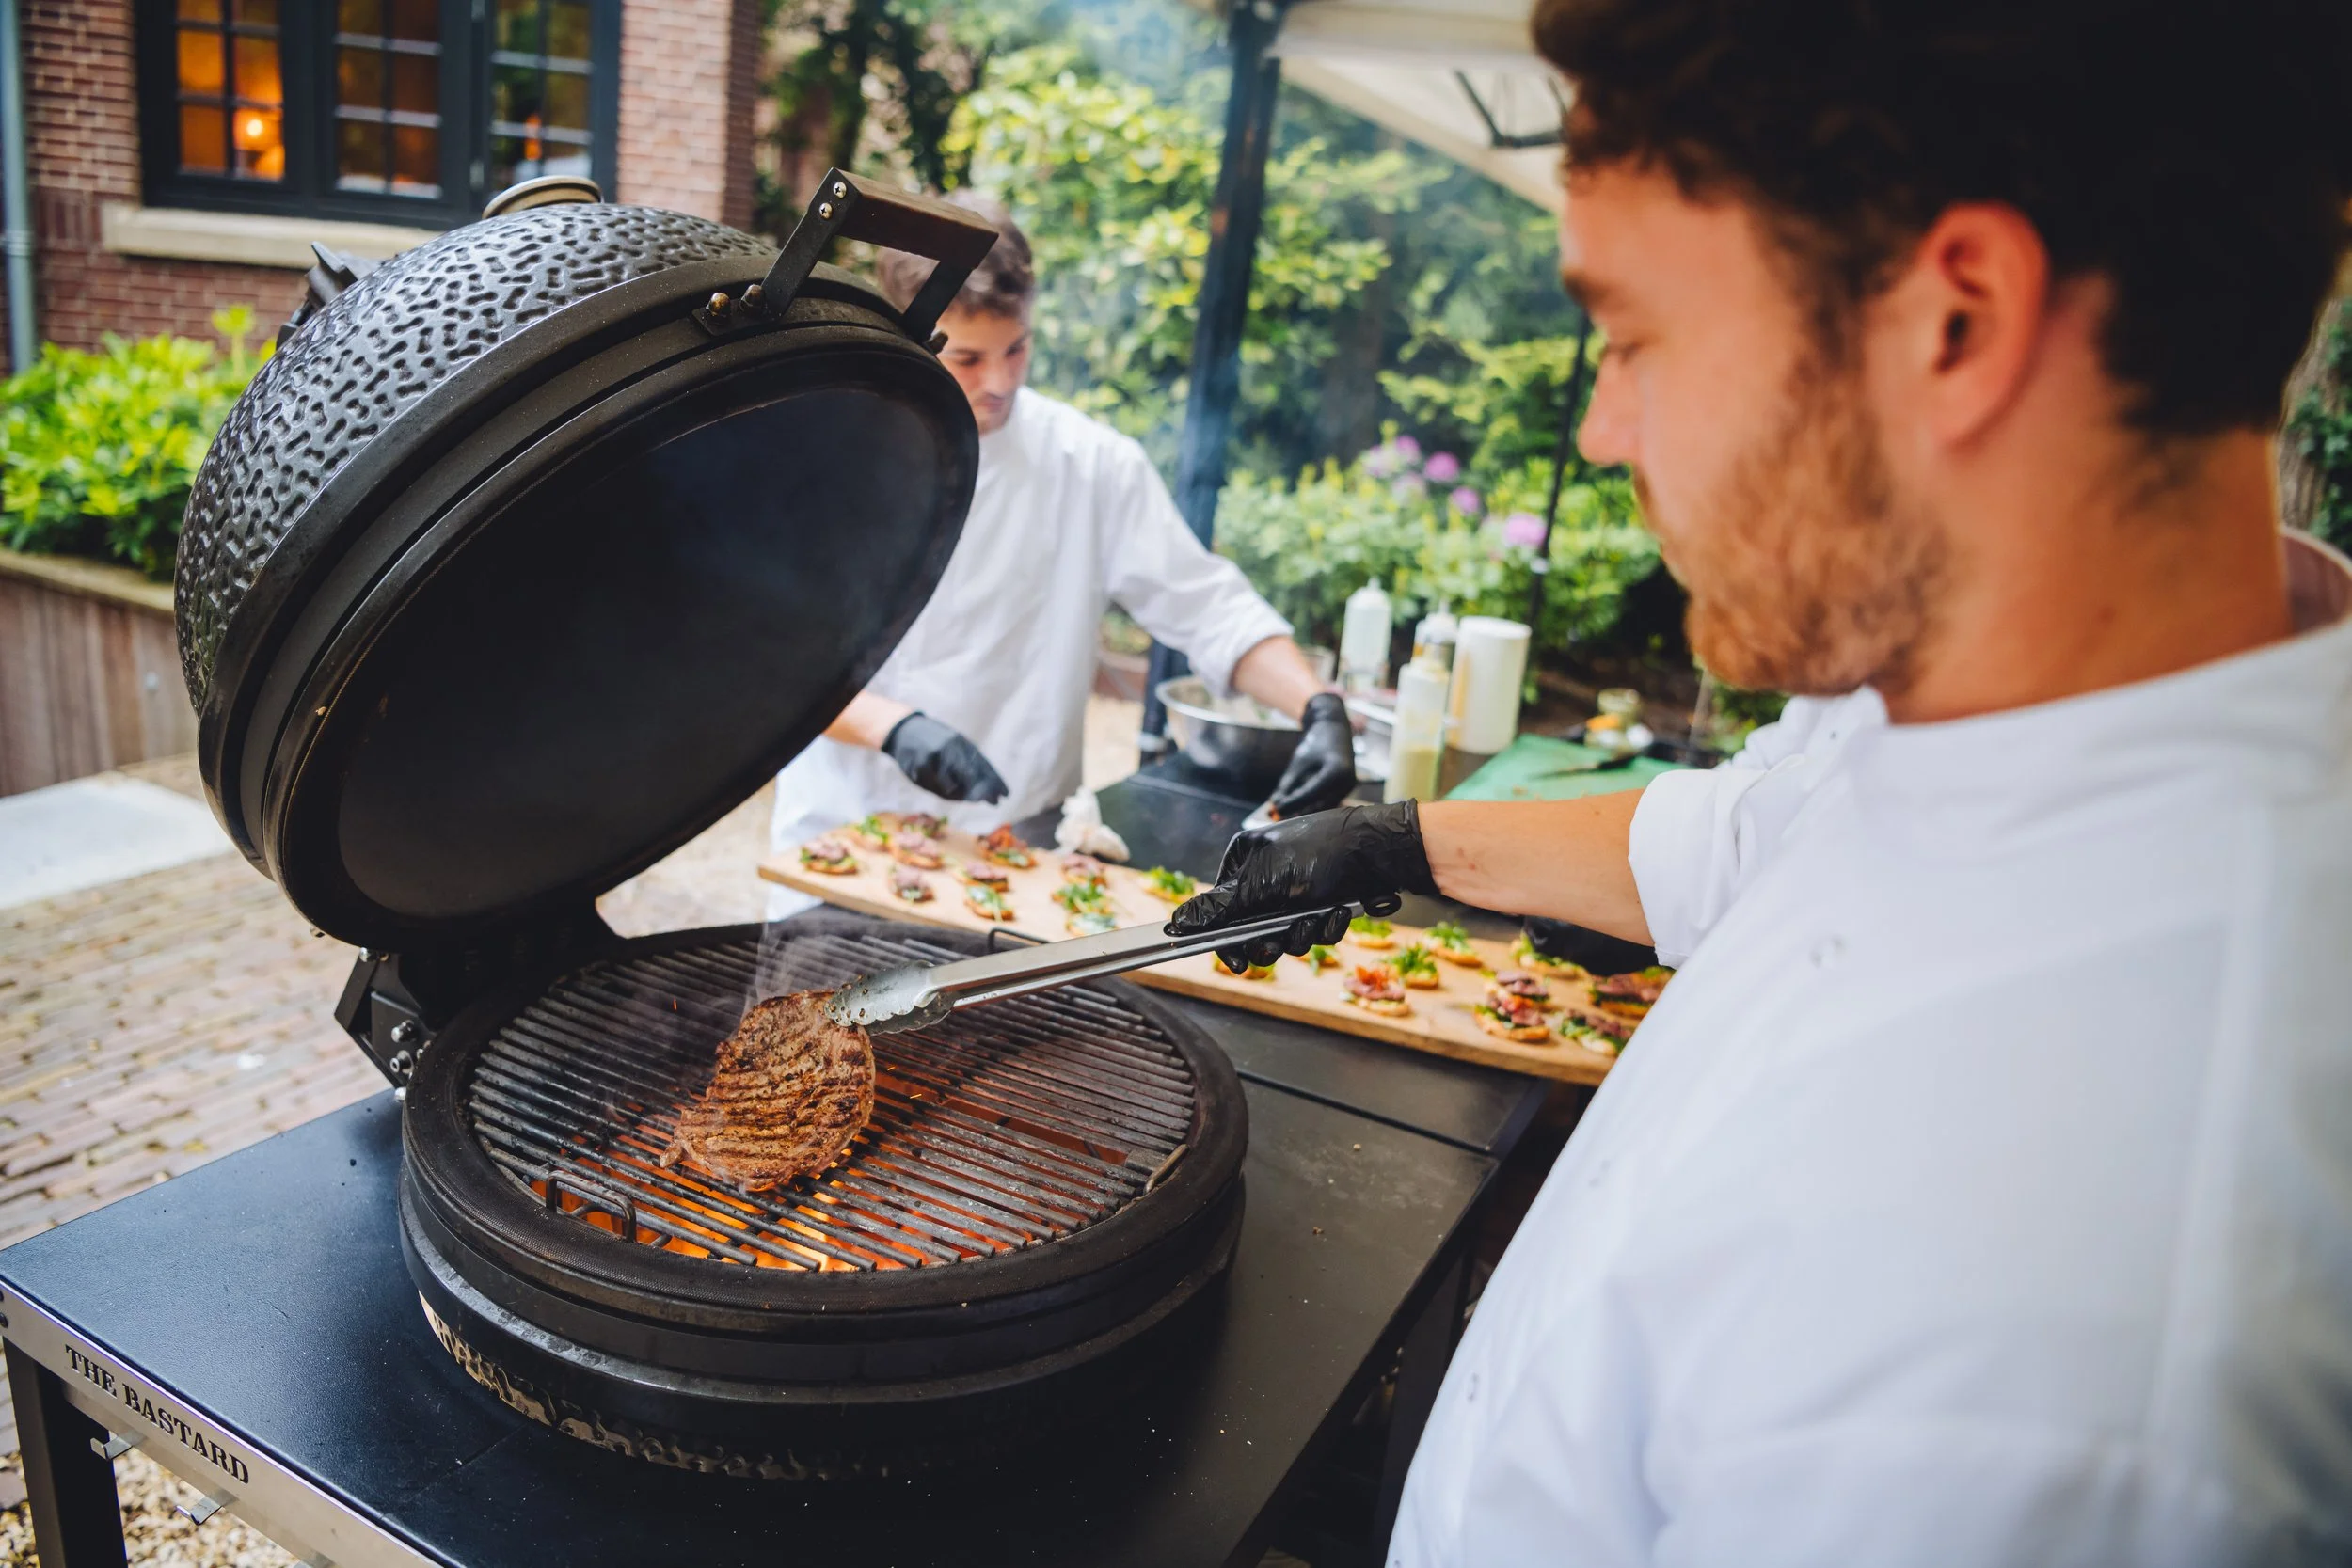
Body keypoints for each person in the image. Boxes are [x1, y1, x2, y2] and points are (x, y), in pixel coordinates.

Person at [1170, 0, 2352, 1560]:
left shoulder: (2061, 1359)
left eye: (1636, 334)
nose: (1599, 429)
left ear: (1958, 323)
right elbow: (1748, 829)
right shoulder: (1989, 699)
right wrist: (1397, 836)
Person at [769, 194, 1353, 887]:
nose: (1001, 381)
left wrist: (1317, 707)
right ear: (909, 334)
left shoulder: (1091, 462)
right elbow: (774, 659)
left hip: (1027, 849)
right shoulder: (831, 462)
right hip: (848, 842)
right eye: (969, 357)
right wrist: (894, 727)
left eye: (1017, 348)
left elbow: (1206, 605)